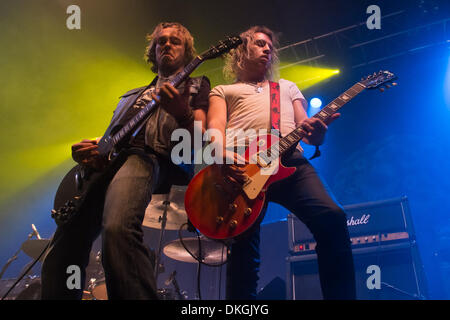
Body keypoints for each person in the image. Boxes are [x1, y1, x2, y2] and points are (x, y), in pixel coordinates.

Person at [41, 22, 210, 300]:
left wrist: (182, 113)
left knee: (118, 229)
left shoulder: (196, 86)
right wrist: (91, 148)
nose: (166, 45)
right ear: (153, 52)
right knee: (65, 242)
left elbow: (200, 143)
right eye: (161, 42)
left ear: (188, 51)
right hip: (109, 163)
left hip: (147, 157)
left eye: (175, 42)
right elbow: (113, 137)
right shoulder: (131, 95)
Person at [207, 26, 356, 299]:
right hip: (244, 168)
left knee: (332, 217)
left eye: (270, 46)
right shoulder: (222, 90)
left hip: (290, 163)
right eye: (261, 44)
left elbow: (308, 131)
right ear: (242, 51)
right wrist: (222, 153)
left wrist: (319, 133)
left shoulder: (286, 87)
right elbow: (214, 128)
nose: (268, 49)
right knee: (243, 247)